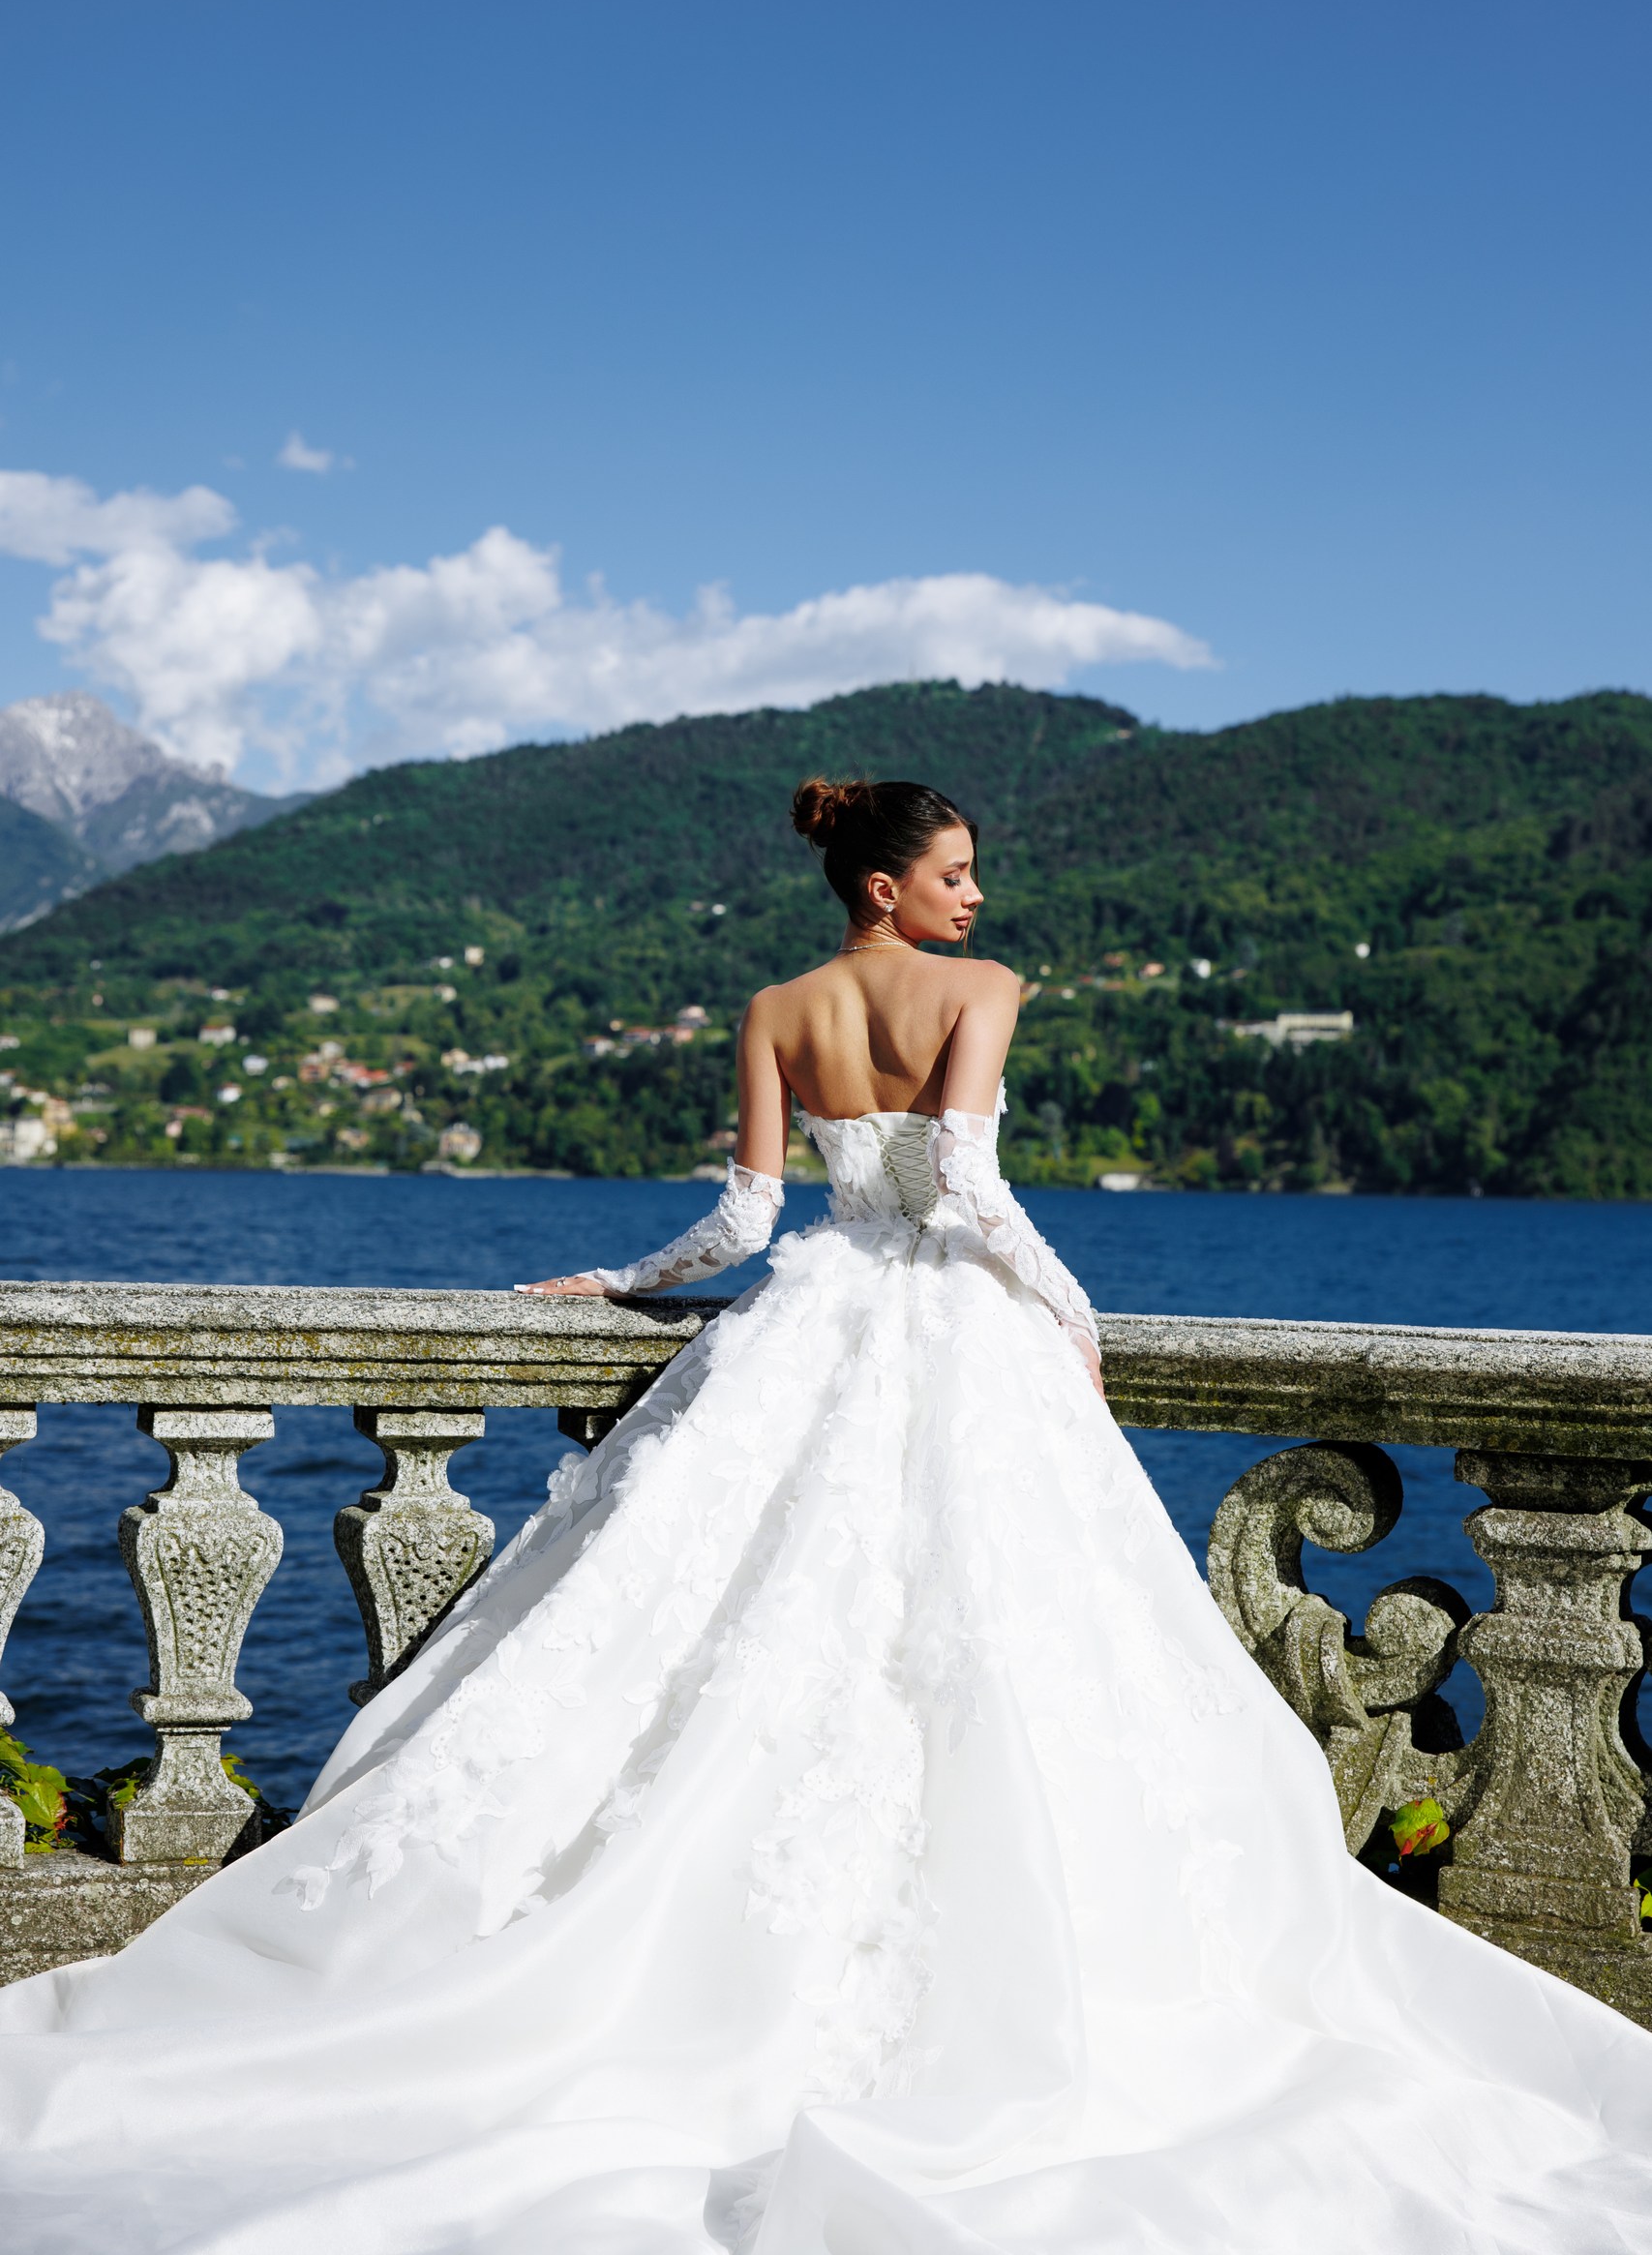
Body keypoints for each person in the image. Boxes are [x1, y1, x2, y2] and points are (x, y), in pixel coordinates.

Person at [1, 776, 1649, 2254]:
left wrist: (621, 1284)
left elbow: (740, 1219)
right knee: (977, 1642)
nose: (978, 899)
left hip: (812, 1323)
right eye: (954, 870)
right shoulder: (982, 997)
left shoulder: (782, 1006)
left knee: (729, 1632)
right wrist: (1074, 1321)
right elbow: (975, 1194)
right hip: (953, 1332)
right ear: (885, 886)